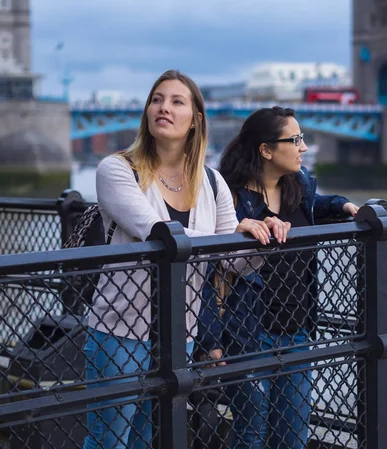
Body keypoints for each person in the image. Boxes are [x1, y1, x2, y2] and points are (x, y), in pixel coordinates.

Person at [83, 70, 280, 449]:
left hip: (180, 335)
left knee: (148, 439)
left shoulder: (211, 182)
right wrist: (231, 236)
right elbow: (159, 233)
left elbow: (234, 261)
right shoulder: (118, 169)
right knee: (109, 441)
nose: (164, 108)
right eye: (157, 99)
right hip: (120, 330)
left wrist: (262, 238)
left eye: (177, 101)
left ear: (196, 120)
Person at [208, 106, 359, 449]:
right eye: (295, 139)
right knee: (252, 434)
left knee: (293, 438)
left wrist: (344, 205)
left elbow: (316, 205)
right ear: (266, 150)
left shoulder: (299, 186)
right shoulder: (229, 199)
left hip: (297, 332)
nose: (304, 147)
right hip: (248, 334)